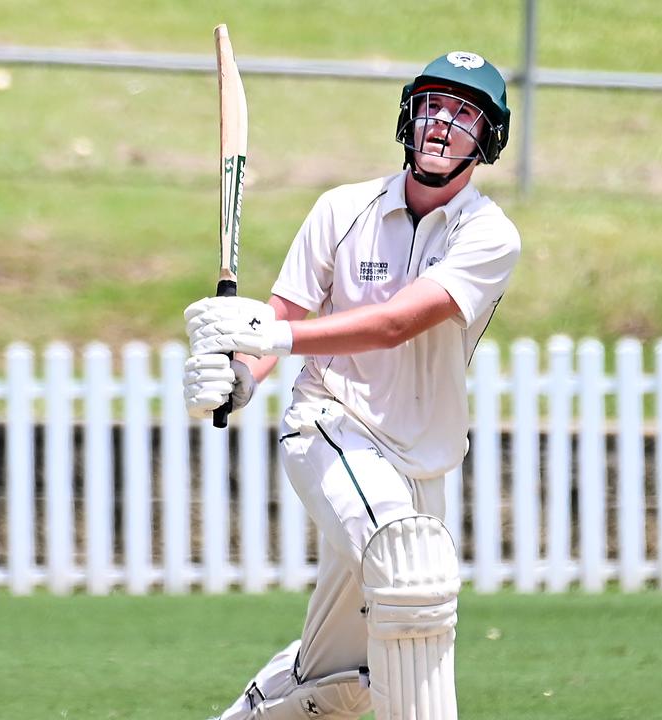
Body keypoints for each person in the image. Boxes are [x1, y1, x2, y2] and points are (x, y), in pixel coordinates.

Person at [183, 51, 520, 719]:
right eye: (431, 105)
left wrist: (267, 337)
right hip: (330, 428)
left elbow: (395, 324)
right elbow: (283, 314)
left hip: (420, 464)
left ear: (489, 138)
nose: (442, 124)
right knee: (410, 569)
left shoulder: (489, 235)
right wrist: (242, 377)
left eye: (463, 113)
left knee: (343, 674)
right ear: (408, 115)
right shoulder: (342, 208)